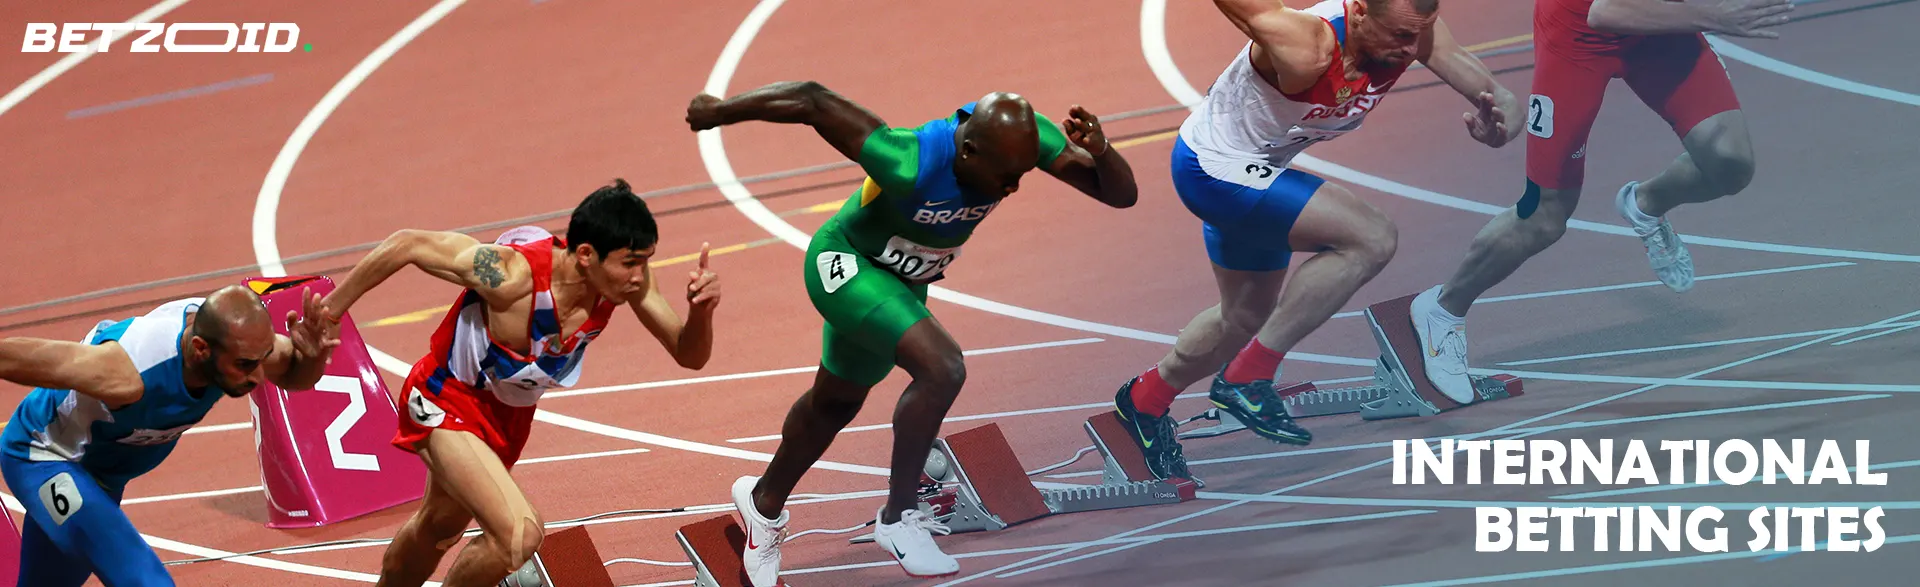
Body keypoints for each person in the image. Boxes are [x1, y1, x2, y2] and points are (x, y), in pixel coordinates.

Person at [685, 82, 1137, 583]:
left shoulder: (1025, 140)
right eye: (1006, 177)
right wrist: (719, 110)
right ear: (968, 150)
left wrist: (1100, 150)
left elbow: (1121, 196)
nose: (1011, 189)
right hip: (846, 265)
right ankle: (899, 518)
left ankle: (762, 505)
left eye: (1021, 176)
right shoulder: (908, 157)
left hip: (903, 283)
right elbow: (812, 100)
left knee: (835, 403)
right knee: (942, 367)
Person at [1111, 0, 1525, 480]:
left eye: (1419, 36)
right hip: (1213, 170)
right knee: (1371, 237)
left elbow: (1499, 96)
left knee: (1243, 316)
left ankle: (1144, 401)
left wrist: (1502, 127)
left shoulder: (1415, 33)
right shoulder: (1306, 45)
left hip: (1258, 171)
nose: (1412, 50)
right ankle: (1249, 375)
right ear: (1361, 10)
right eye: (1400, 36)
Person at [318, 179, 722, 587]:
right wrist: (330, 312)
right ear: (585, 254)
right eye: (630, 262)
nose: (639, 275)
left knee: (439, 526)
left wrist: (701, 311)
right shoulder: (510, 275)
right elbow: (407, 244)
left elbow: (690, 355)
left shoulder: (625, 281)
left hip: (508, 418)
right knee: (517, 534)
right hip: (444, 397)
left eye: (645, 261)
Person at [1411, 0, 1790, 403]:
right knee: (1544, 214)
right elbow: (1604, 13)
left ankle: (1645, 204)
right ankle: (1443, 310)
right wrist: (1715, 15)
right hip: (1580, 37)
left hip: (1660, 26)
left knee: (1730, 164)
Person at [0, 285, 340, 586]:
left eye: (263, 360)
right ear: (200, 349)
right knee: (141, 576)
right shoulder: (126, 372)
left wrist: (311, 359)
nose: (257, 377)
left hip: (99, 477)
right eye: (247, 365)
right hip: (42, 457)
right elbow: (38, 360)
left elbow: (296, 374)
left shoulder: (239, 346)